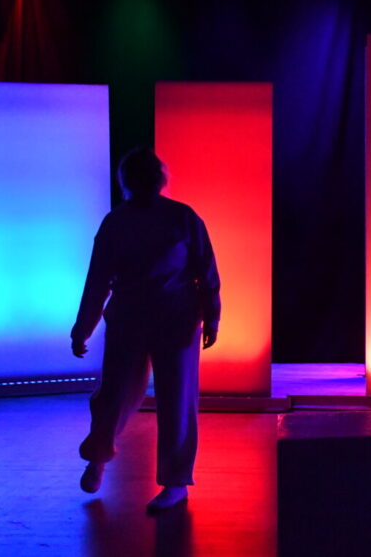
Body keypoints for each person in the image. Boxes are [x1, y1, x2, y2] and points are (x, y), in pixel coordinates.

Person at [70, 147, 220, 512]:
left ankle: (166, 479)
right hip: (153, 317)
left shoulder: (158, 219)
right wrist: (212, 315)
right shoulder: (155, 219)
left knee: (146, 397)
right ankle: (139, 470)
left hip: (165, 318)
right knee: (135, 396)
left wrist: (83, 327)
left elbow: (98, 280)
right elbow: (206, 272)